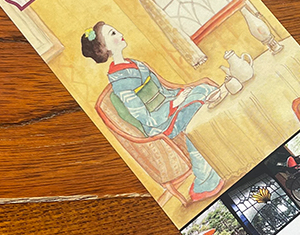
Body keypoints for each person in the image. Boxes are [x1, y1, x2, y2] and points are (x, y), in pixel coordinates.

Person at [82, 21, 224, 202]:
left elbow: (165, 88)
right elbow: (145, 117)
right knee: (196, 104)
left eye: (116, 30)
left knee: (204, 90)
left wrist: (182, 93)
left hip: (170, 104)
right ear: (105, 48)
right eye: (113, 34)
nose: (120, 34)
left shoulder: (135, 63)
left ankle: (224, 146)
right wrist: (176, 103)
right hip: (159, 123)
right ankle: (206, 177)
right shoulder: (120, 82)